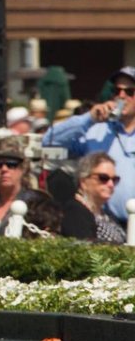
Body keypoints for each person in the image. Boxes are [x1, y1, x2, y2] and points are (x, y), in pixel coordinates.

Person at [43, 65, 135, 223]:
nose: (121, 96)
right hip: (103, 222)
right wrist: (89, 118)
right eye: (116, 91)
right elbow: (49, 141)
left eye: (129, 92)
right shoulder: (96, 130)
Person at [60, 152, 126, 244]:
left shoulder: (106, 214)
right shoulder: (75, 212)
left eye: (115, 179)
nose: (111, 184)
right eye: (103, 178)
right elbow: (83, 250)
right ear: (83, 181)